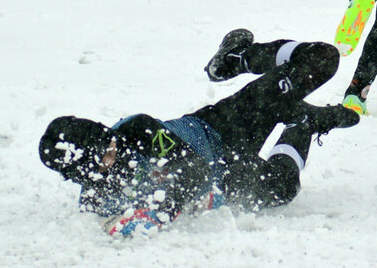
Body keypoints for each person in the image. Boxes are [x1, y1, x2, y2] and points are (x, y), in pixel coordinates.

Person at [39, 30, 359, 237]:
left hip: (222, 127)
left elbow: (190, 172)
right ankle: (304, 123)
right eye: (106, 155)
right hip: (227, 179)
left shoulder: (136, 129)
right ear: (84, 173)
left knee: (322, 58)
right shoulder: (95, 201)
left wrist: (157, 212)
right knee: (286, 188)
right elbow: (120, 228)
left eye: (109, 139)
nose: (115, 148)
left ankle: (236, 58)